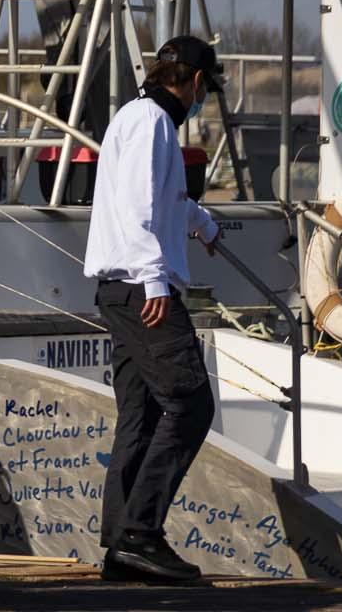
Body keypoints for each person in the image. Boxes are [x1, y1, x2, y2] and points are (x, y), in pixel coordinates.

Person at [85, 35, 223, 584]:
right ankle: (140, 533)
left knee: (141, 415)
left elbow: (163, 199)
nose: (202, 100)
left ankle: (122, 543)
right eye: (205, 90)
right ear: (195, 81)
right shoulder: (152, 122)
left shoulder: (140, 118)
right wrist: (154, 279)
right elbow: (138, 207)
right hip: (140, 287)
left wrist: (202, 223)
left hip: (121, 290)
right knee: (190, 404)